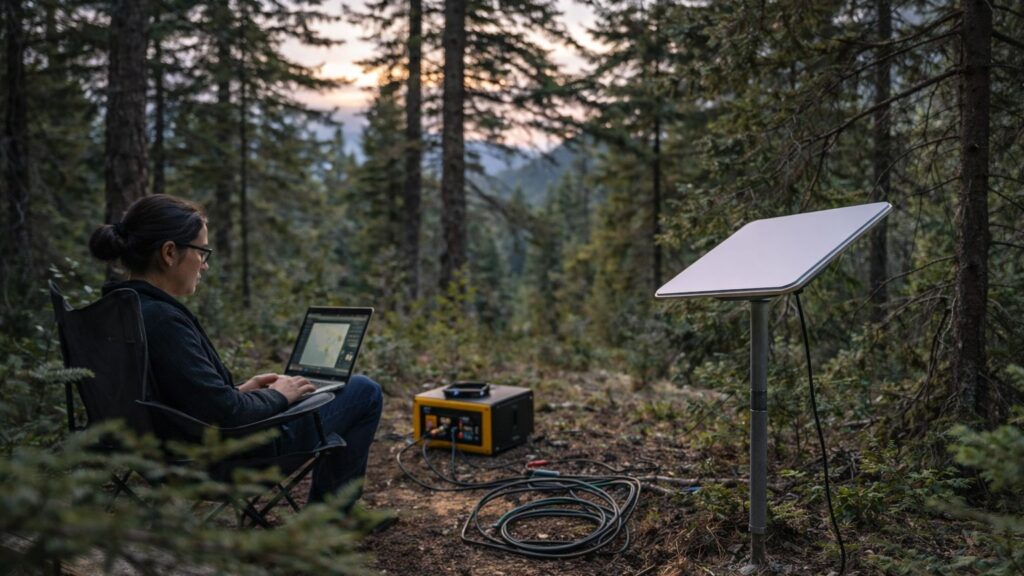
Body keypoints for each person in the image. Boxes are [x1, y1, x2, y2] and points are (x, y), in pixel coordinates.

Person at [89, 194, 382, 504]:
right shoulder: (161, 320)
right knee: (364, 391)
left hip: (166, 453)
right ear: (170, 253)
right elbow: (226, 415)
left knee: (329, 390)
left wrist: (242, 391)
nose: (204, 264)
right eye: (202, 251)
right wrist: (279, 396)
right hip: (223, 459)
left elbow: (180, 399)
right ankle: (332, 520)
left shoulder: (119, 311)